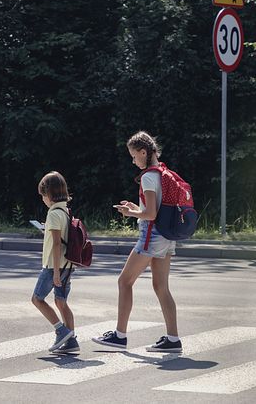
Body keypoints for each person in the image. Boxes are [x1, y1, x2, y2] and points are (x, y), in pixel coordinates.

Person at [92, 131, 182, 352]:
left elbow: (150, 214)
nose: (133, 161)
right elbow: (155, 209)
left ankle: (119, 337)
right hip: (167, 236)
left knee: (124, 281)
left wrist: (130, 213)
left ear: (144, 152)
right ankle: (173, 340)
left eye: (134, 156)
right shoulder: (162, 171)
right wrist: (136, 208)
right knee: (161, 287)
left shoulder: (148, 177)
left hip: (152, 236)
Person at [31, 171, 79, 354]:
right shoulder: (65, 210)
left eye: (43, 195)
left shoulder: (53, 214)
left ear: (49, 194)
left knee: (37, 299)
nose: (43, 199)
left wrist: (56, 273)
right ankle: (71, 341)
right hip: (68, 264)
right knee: (61, 301)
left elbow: (57, 243)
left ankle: (61, 331)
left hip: (54, 266)